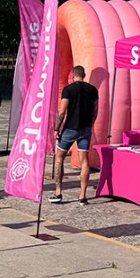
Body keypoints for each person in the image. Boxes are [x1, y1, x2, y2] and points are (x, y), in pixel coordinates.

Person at [52, 65, 99, 203]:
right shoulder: (93, 90)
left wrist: (56, 129)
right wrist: (90, 125)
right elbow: (95, 110)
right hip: (86, 129)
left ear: (73, 75)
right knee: (84, 161)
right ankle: (82, 195)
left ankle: (58, 192)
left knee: (59, 157)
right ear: (84, 75)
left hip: (70, 128)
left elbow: (62, 112)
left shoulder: (68, 90)